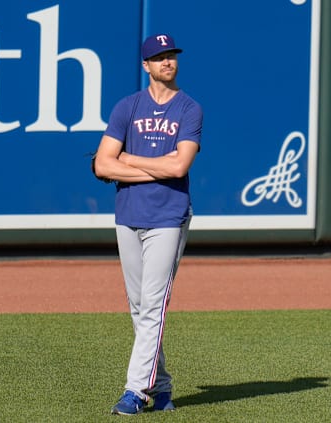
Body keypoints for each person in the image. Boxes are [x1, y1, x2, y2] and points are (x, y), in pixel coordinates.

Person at [93, 33, 202, 415]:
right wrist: (148, 166)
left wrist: (131, 161)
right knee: (139, 308)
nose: (167, 62)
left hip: (169, 216)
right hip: (129, 214)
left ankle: (135, 390)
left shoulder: (189, 109)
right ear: (146, 65)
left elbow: (179, 166)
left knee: (153, 305)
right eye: (159, 57)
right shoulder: (128, 107)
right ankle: (164, 386)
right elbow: (102, 164)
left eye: (171, 55)